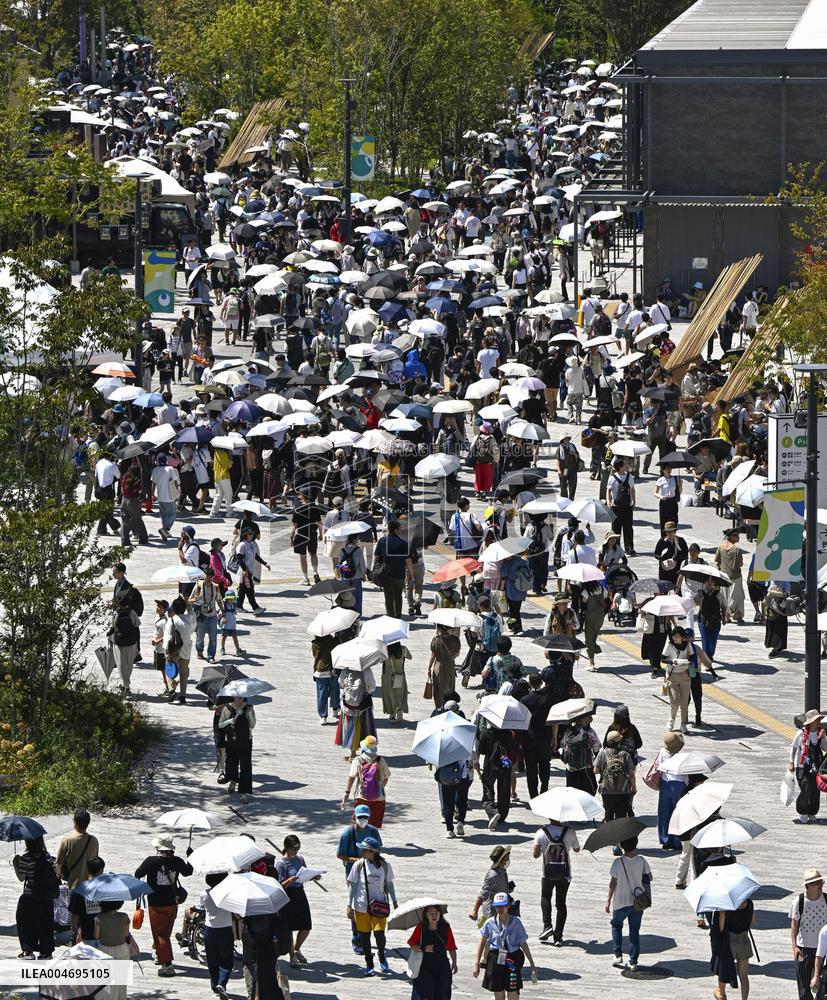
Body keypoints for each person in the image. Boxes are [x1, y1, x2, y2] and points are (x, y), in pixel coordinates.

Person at [134, 836, 193, 977]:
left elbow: (138, 874)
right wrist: (190, 857)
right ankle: (158, 952)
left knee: (160, 934)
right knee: (165, 932)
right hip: (172, 903)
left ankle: (167, 964)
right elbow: (188, 872)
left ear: (158, 848)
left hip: (156, 903)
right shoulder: (177, 861)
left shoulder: (151, 861)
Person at [347, 838, 398, 977]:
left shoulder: (385, 865)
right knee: (364, 936)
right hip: (361, 906)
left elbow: (390, 884)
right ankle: (369, 963)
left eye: (365, 849)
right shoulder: (358, 865)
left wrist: (394, 901)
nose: (362, 851)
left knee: (379, 934)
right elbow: (352, 886)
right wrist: (349, 905)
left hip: (379, 906)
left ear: (373, 852)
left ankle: (381, 956)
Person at [336, 803, 383, 956]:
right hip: (354, 875)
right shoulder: (348, 833)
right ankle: (356, 937)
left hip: (372, 874)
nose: (363, 820)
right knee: (357, 906)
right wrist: (356, 861)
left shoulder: (373, 831)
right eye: (360, 817)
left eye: (366, 817)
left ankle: (368, 933)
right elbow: (340, 855)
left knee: (371, 903)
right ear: (354, 816)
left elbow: (378, 850)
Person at [473, 892, 537, 996]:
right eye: (497, 906)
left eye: (502, 906)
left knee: (513, 992)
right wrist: (476, 963)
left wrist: (532, 964)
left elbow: (523, 944)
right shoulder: (490, 923)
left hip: (512, 960)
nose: (500, 909)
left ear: (508, 906)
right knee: (498, 993)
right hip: (496, 959)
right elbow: (482, 943)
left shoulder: (516, 922)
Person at [606, 836, 652, 973]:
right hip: (638, 902)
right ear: (636, 845)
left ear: (621, 846)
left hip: (620, 901)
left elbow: (613, 882)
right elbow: (650, 877)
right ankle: (633, 962)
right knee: (634, 932)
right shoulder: (642, 860)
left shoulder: (617, 862)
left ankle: (617, 954)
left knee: (616, 925)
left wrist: (608, 900)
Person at [533, 819, 580, 946]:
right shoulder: (570, 831)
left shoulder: (541, 832)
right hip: (564, 873)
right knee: (561, 903)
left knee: (546, 897)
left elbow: (535, 855)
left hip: (547, 872)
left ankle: (547, 926)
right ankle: (558, 937)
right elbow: (577, 849)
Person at [13, 836, 58, 959]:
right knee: (46, 924)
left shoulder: (26, 858)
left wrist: (16, 862)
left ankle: (28, 951)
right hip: (46, 897)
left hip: (30, 896)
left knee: (26, 924)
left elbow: (21, 878)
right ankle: (46, 952)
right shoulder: (47, 856)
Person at [275, 835, 315, 968]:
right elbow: (280, 885)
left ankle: (297, 948)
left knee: (306, 925)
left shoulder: (300, 859)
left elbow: (305, 873)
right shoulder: (281, 863)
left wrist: (313, 876)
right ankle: (292, 955)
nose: (296, 851)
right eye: (294, 848)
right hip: (288, 895)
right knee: (289, 927)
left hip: (299, 893)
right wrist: (290, 880)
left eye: (298, 848)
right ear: (287, 848)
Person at [790, 868, 827, 1000]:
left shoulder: (826, 900)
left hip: (823, 949)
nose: (820, 886)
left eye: (820, 882)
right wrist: (794, 947)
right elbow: (794, 925)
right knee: (804, 987)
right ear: (808, 886)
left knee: (823, 985)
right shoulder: (798, 901)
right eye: (816, 883)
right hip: (804, 948)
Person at [408, 904, 458, 999]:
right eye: (431, 913)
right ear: (426, 915)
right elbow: (412, 945)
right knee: (424, 994)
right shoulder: (421, 928)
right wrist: (423, 948)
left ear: (440, 914)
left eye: (436, 913)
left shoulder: (445, 927)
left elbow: (451, 947)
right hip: (424, 967)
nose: (434, 916)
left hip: (442, 967)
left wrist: (454, 963)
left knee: (441, 994)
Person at [711, 898, 754, 1000]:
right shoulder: (749, 903)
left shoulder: (726, 905)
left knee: (723, 972)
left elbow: (721, 927)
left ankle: (721, 994)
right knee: (743, 976)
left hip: (729, 942)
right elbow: (752, 921)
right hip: (744, 941)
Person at [343, 735, 390, 827]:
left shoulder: (358, 760)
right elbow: (386, 777)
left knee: (358, 823)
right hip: (379, 797)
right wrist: (379, 787)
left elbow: (351, 777)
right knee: (374, 825)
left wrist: (347, 792)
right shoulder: (381, 760)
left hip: (362, 795)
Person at [200, 872, 235, 998]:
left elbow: (202, 907)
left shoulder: (204, 893)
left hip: (209, 929)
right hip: (225, 929)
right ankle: (222, 983)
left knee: (212, 959)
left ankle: (214, 985)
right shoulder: (227, 894)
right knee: (226, 960)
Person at [790, 710, 827, 824]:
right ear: (810, 722)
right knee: (806, 789)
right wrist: (791, 762)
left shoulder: (820, 732)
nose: (818, 723)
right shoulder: (801, 733)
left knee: (816, 791)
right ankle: (803, 812)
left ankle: (812, 812)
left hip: (816, 766)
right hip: (802, 766)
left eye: (819, 720)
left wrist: (825, 738)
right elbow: (794, 748)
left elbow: (825, 749)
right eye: (816, 720)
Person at [372, 519, 413, 618]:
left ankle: (390, 616)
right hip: (399, 574)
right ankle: (397, 616)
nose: (401, 530)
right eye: (400, 529)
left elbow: (376, 557)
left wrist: (375, 568)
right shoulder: (403, 543)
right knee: (398, 596)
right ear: (395, 530)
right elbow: (408, 561)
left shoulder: (382, 541)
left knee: (388, 596)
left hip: (386, 573)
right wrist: (411, 574)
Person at [594, 730, 637, 823]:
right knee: (621, 817)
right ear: (619, 742)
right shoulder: (625, 754)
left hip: (607, 790)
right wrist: (633, 787)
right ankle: (620, 836)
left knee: (608, 814)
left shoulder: (603, 753)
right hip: (623, 790)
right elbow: (631, 774)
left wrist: (605, 771)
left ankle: (608, 834)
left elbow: (595, 770)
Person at [219, 695, 256, 801]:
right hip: (231, 741)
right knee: (231, 764)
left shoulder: (249, 708)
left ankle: (244, 793)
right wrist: (229, 721)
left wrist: (250, 714)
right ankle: (233, 781)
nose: (239, 699)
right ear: (233, 697)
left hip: (246, 741)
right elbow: (220, 724)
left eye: (241, 697)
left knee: (246, 767)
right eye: (237, 697)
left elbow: (252, 725)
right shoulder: (228, 708)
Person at [654, 731, 687, 849]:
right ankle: (677, 840)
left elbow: (658, 766)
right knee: (677, 813)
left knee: (664, 812)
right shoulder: (681, 757)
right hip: (678, 784)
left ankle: (665, 839)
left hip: (665, 783)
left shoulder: (662, 752)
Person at [94, 901, 131, 1000]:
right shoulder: (124, 917)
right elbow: (126, 934)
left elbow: (96, 936)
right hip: (122, 949)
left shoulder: (99, 918)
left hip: (105, 950)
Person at [56, 809, 100, 890]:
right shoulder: (94, 840)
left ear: (75, 823)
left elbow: (58, 865)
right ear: (88, 823)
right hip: (88, 886)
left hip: (72, 886)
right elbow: (95, 861)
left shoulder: (67, 840)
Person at [164, 596, 196, 704]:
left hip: (174, 650)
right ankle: (183, 695)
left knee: (169, 670)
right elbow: (192, 614)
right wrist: (189, 605)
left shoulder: (172, 620)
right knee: (184, 673)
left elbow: (168, 637)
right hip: (186, 649)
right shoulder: (190, 618)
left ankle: (172, 689)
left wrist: (167, 653)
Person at [469, 846, 513, 925]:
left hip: (501, 909)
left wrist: (508, 887)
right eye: (506, 858)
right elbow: (483, 893)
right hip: (492, 912)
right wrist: (474, 911)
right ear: (501, 860)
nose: (508, 860)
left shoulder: (502, 871)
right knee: (491, 934)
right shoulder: (493, 875)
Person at [662, 625, 694, 733]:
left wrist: (689, 662)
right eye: (673, 636)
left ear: (683, 637)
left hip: (685, 674)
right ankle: (672, 719)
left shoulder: (687, 644)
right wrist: (672, 661)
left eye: (677, 636)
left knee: (685, 702)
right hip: (673, 675)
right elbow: (662, 659)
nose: (675, 638)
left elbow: (693, 656)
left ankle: (683, 723)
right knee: (675, 701)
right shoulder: (669, 644)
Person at [561, 710, 600, 794]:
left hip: (571, 767)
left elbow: (563, 746)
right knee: (589, 791)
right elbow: (596, 749)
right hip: (586, 767)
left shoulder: (569, 731)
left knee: (571, 792)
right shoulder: (590, 732)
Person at [715, 528, 745, 623]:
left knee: (725, 597)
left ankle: (726, 616)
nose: (738, 537)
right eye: (736, 535)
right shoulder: (737, 550)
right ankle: (736, 615)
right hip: (735, 577)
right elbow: (740, 564)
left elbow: (717, 560)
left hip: (724, 577)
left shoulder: (720, 547)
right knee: (737, 598)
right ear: (731, 536)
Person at [428, 624, 461, 709]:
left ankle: (439, 708)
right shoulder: (455, 640)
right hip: (450, 667)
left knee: (438, 689)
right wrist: (451, 658)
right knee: (449, 688)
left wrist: (429, 667)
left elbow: (433, 656)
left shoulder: (436, 640)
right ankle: (449, 707)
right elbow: (457, 654)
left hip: (438, 666)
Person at [608, 458, 636, 555]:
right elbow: (608, 491)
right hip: (616, 506)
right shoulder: (612, 478)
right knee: (616, 528)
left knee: (628, 527)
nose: (626, 466)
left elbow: (632, 489)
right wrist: (609, 502)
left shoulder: (630, 477)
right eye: (624, 465)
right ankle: (616, 546)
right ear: (620, 467)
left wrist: (634, 501)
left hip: (627, 506)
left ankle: (629, 547)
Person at [381, 641, 410, 721]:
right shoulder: (403, 649)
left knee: (390, 695)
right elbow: (410, 657)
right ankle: (399, 712)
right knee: (399, 694)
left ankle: (392, 714)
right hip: (399, 675)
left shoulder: (385, 651)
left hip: (387, 677)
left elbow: (380, 660)